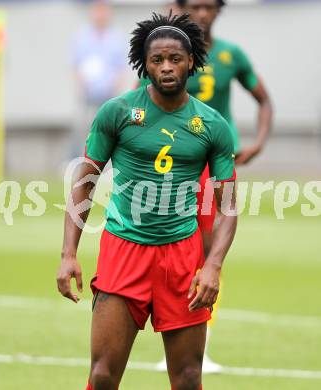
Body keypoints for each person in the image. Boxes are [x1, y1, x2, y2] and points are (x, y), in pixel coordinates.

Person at [57, 11, 237, 390]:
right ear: (144, 64)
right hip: (124, 250)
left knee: (188, 378)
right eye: (157, 60)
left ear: (192, 62)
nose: (167, 67)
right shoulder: (118, 112)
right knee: (103, 375)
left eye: (175, 59)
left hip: (182, 256)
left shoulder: (213, 125)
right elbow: (86, 180)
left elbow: (228, 205)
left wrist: (214, 266)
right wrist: (68, 253)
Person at [141, 0, 273, 373]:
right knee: (168, 244)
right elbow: (141, 104)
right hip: (176, 166)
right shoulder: (167, 51)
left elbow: (264, 100)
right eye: (194, 6)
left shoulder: (231, 55)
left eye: (209, 7)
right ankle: (168, 330)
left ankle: (201, 340)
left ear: (219, 11)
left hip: (215, 166)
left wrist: (259, 142)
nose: (202, 14)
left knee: (210, 250)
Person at [71, 0, 127, 157]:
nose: (100, 15)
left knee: (110, 128)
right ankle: (80, 159)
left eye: (104, 11)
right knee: (82, 127)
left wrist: (114, 87)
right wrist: (82, 84)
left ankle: (109, 162)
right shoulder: (82, 36)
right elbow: (76, 64)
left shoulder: (116, 37)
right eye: (97, 11)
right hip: (87, 92)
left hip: (109, 92)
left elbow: (120, 67)